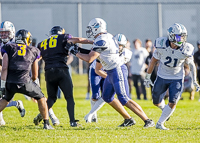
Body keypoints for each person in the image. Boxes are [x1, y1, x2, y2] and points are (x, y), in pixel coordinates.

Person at [68, 18, 154, 127]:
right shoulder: (105, 37)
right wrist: (76, 50)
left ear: (97, 28)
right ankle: (128, 119)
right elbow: (93, 53)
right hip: (110, 70)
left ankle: (147, 120)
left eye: (91, 28)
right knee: (107, 97)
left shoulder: (102, 40)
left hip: (117, 69)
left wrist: (74, 51)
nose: (89, 31)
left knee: (124, 98)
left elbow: (90, 58)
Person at [144, 23, 200, 130]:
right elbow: (153, 61)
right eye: (179, 36)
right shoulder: (161, 45)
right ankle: (165, 110)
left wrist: (194, 80)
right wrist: (148, 76)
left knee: (173, 101)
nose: (182, 39)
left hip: (177, 77)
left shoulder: (186, 48)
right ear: (171, 36)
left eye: (183, 36)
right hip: (162, 76)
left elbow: (191, 65)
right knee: (156, 101)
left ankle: (160, 123)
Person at [36, 26, 93, 127]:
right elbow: (78, 40)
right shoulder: (64, 38)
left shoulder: (42, 43)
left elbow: (38, 57)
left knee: (51, 98)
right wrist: (93, 42)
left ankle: (42, 115)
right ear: (61, 33)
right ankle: (72, 122)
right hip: (61, 70)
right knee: (69, 97)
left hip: (48, 71)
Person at [0, 29, 53, 129]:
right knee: (41, 98)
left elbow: (4, 68)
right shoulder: (33, 50)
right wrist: (33, 85)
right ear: (27, 40)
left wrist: (3, 85)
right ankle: (46, 123)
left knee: (5, 99)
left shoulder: (8, 47)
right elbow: (35, 75)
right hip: (25, 82)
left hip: (10, 82)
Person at [0, 21, 25, 126]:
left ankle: (16, 103)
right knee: (2, 97)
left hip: (16, 73)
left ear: (12, 32)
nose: (3, 35)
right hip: (3, 72)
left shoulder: (17, 42)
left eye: (6, 33)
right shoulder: (1, 43)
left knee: (5, 98)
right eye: (2, 33)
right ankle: (1, 120)